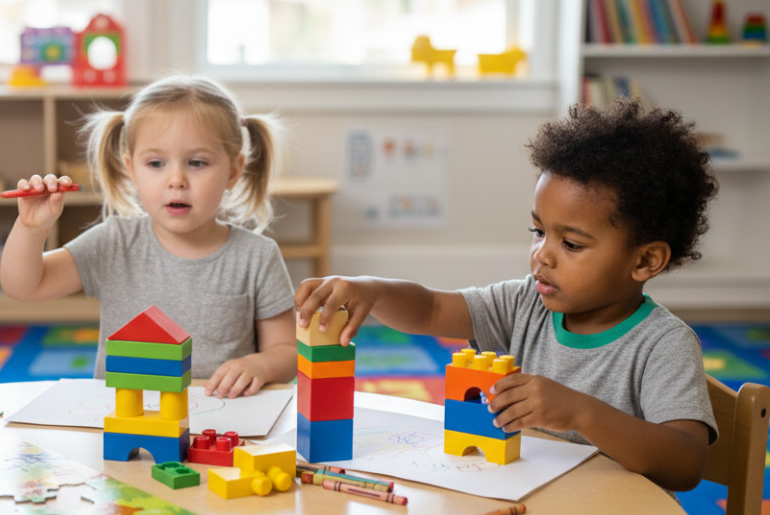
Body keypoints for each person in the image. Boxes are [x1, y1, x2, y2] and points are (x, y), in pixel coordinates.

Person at [294, 99, 719, 492]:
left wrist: (580, 413)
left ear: (645, 261)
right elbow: (432, 309)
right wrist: (374, 289)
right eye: (538, 231)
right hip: (532, 512)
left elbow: (684, 463)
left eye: (570, 244)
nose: (542, 255)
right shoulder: (524, 305)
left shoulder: (664, 345)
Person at [0, 74, 296, 398]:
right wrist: (31, 228)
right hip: (126, 422)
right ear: (131, 169)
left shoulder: (257, 256)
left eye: (197, 163)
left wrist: (260, 366)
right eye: (155, 163)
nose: (176, 179)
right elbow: (25, 286)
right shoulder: (113, 243)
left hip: (221, 425)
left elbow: (286, 349)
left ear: (234, 171)